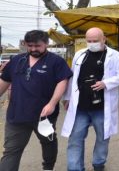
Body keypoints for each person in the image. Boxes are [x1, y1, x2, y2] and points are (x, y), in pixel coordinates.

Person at [0, 30, 72, 171]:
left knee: (48, 142)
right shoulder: (16, 60)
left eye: (37, 46)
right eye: (30, 45)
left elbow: (62, 82)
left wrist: (52, 103)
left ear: (46, 43)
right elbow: (4, 81)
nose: (33, 49)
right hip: (17, 116)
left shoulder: (56, 62)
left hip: (44, 116)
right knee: (11, 150)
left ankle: (48, 167)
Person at [62, 27, 119, 171]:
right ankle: (74, 168)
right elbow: (73, 77)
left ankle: (98, 163)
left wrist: (106, 83)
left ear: (104, 39)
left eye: (95, 41)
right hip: (80, 106)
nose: (92, 43)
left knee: (102, 138)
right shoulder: (79, 55)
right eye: (89, 41)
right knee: (75, 139)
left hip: (102, 106)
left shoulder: (116, 56)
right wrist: (67, 98)